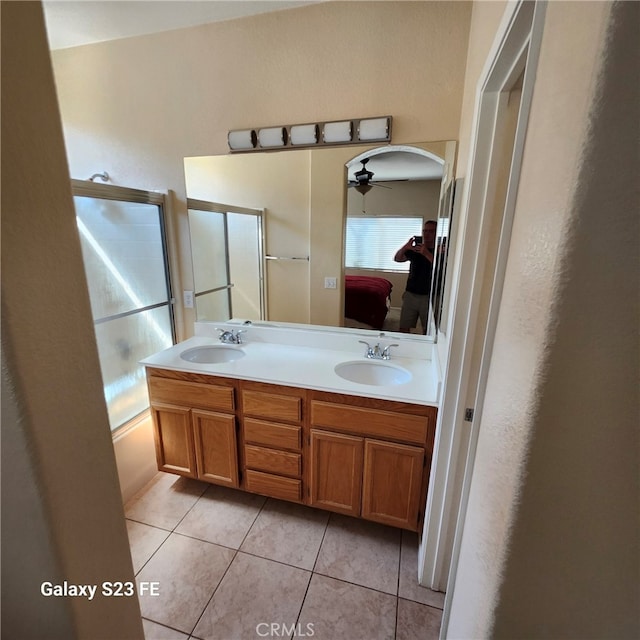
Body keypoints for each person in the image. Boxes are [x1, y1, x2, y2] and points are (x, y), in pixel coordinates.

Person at [393, 219, 437, 333]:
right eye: (425, 231)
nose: (427, 234)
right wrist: (405, 247)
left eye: (431, 231)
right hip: (410, 294)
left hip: (429, 297)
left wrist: (426, 253)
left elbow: (441, 268)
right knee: (403, 327)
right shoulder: (415, 250)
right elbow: (397, 259)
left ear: (436, 233)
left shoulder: (440, 251)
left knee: (428, 330)